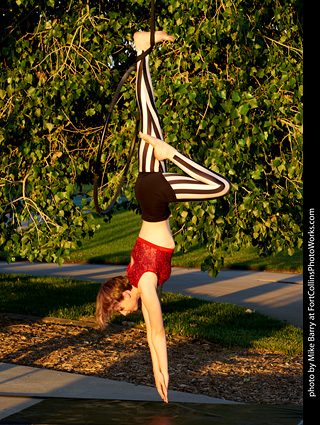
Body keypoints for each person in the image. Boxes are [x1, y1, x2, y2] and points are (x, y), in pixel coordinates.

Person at [96, 31, 231, 403]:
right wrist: (156, 371)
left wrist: (164, 372)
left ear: (125, 293)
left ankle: (172, 153)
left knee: (220, 187)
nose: (124, 313)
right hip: (145, 192)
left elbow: (157, 333)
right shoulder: (134, 273)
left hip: (155, 196)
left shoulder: (148, 284)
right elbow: (149, 334)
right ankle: (142, 47)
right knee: (147, 110)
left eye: (120, 308)